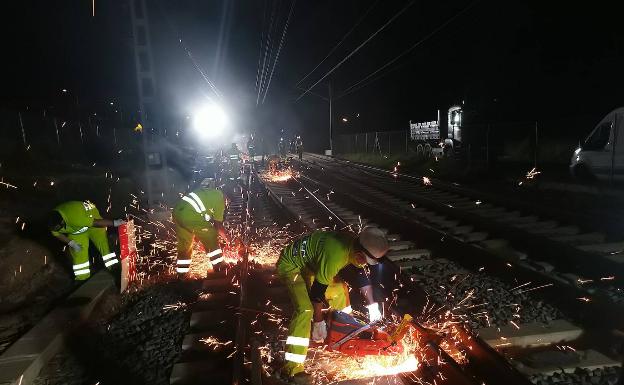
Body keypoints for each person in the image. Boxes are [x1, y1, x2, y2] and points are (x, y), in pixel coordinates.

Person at [276, 227, 388, 380]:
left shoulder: (355, 246)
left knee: (340, 291)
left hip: (311, 267)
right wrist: (318, 321)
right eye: (364, 260)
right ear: (359, 253)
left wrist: (372, 305)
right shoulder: (335, 254)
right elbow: (317, 293)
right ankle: (292, 369)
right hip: (292, 266)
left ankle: (344, 340)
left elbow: (360, 276)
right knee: (305, 310)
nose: (364, 263)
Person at [47, 200, 125, 282]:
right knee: (78, 253)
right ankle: (82, 278)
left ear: (62, 221)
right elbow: (57, 234)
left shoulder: (75, 217)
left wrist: (114, 223)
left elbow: (96, 223)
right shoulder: (53, 223)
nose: (59, 230)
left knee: (103, 244)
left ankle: (114, 268)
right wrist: (71, 243)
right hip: (76, 231)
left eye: (60, 227)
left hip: (91, 218)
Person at [173, 181, 229, 276]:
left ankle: (182, 274)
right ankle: (219, 266)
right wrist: (229, 240)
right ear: (226, 197)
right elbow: (218, 225)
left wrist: (198, 235)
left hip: (177, 213)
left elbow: (203, 220)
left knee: (185, 245)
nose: (226, 204)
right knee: (210, 235)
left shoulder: (209, 194)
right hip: (189, 214)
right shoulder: (220, 198)